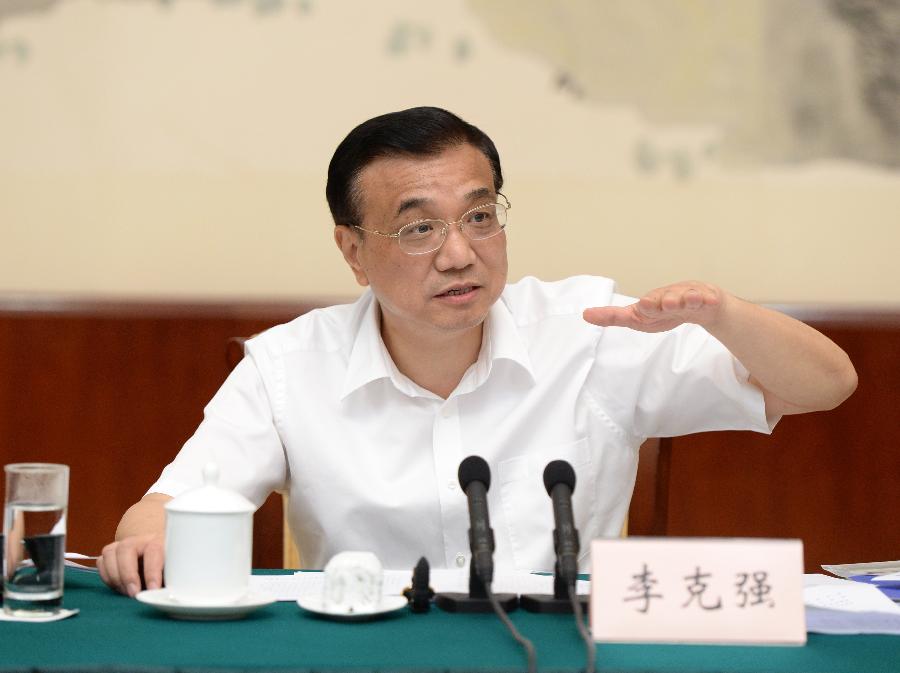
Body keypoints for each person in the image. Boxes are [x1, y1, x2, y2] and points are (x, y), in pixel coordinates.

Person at [98, 107, 857, 597]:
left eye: (481, 215)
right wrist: (148, 537)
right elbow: (160, 511)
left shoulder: (589, 330)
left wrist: (723, 313)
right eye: (419, 228)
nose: (460, 253)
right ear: (353, 250)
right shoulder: (290, 364)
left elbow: (827, 383)